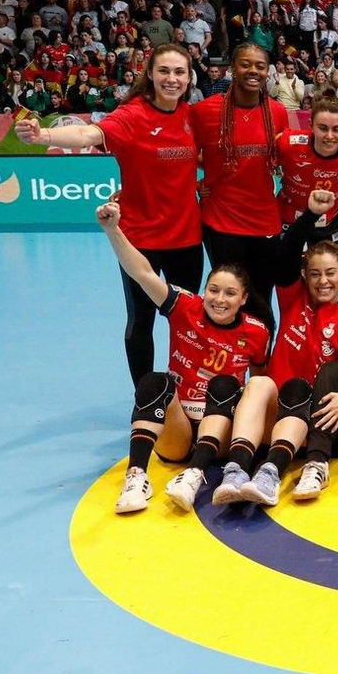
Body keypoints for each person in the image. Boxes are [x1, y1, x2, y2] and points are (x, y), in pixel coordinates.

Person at [16, 43, 201, 384]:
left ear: (189, 77)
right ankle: (146, 398)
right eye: (164, 71)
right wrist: (45, 136)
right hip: (139, 238)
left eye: (179, 72)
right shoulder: (132, 114)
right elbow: (89, 132)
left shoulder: (192, 115)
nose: (172, 79)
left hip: (187, 238)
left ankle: (187, 392)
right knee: (141, 319)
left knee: (187, 322)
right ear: (150, 74)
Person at [96, 198, 271, 515]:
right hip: (177, 433)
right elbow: (143, 273)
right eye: (214, 290)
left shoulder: (257, 332)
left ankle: (194, 475)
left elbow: (258, 381)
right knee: (153, 381)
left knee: (225, 385)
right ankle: (136, 479)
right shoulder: (184, 307)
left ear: (244, 298)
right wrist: (113, 230)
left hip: (220, 432)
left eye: (230, 293)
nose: (219, 299)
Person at [236, 190, 338, 505]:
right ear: (304, 275)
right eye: (315, 274)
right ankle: (235, 472)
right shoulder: (293, 296)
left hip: (315, 423)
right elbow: (284, 255)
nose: (323, 281)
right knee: (258, 382)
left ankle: (280, 473)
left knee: (335, 371)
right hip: (276, 415)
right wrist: (309, 216)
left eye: (331, 273)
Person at [188, 42, 289, 330]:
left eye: (260, 65)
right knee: (226, 300)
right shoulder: (205, 111)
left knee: (260, 301)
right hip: (221, 221)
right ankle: (226, 367)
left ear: (267, 71)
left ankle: (260, 370)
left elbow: (283, 157)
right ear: (232, 68)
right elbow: (184, 153)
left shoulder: (278, 112)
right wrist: (198, 182)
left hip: (265, 220)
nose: (253, 70)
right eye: (245, 64)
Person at [274, 95, 338, 273]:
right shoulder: (287, 143)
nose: (329, 136)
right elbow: (253, 163)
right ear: (311, 125)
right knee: (288, 276)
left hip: (333, 217)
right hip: (289, 216)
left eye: (337, 129)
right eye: (322, 128)